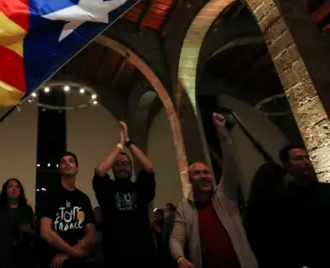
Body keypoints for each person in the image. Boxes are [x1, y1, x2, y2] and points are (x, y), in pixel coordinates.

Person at [170, 113, 257, 268]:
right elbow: (176, 238)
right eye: (197, 173)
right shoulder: (185, 207)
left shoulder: (224, 196)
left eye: (206, 172)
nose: (203, 176)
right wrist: (180, 258)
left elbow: (231, 165)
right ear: (189, 180)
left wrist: (223, 133)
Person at [93, 121, 157, 266]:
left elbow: (149, 167)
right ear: (113, 168)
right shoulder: (107, 189)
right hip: (115, 257)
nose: (123, 167)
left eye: (126, 164)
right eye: (118, 164)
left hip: (145, 256)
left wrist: (129, 143)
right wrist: (119, 145)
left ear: (131, 168)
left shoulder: (139, 189)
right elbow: (100, 170)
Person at [272, 144, 330, 268]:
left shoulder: (327, 191)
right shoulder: (283, 202)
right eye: (298, 158)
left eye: (307, 157)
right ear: (286, 165)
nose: (306, 162)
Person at [40, 152, 97, 268]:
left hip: (78, 258)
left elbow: (92, 234)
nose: (67, 164)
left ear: (77, 169)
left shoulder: (83, 198)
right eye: (63, 162)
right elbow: (45, 232)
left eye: (71, 161)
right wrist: (72, 252)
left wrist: (71, 253)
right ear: (60, 169)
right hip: (55, 261)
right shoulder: (50, 195)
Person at [0, 178, 36, 268]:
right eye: (10, 186)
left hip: (22, 259)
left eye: (17, 187)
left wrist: (28, 231)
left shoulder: (27, 210)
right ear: (5, 191)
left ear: (21, 191)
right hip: (1, 259)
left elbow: (34, 234)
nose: (14, 189)